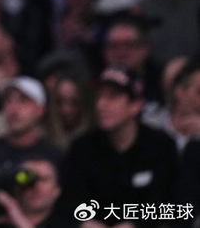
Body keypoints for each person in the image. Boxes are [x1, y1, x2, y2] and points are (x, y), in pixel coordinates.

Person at [53, 65, 177, 228]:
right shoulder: (82, 148)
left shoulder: (160, 146)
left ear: (136, 105)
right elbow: (66, 204)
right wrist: (83, 223)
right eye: (99, 96)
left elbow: (171, 205)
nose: (101, 104)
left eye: (112, 97)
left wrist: (135, 225)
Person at [0, 76, 62, 178]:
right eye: (8, 100)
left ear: (40, 110)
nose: (13, 108)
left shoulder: (55, 157)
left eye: (23, 100)